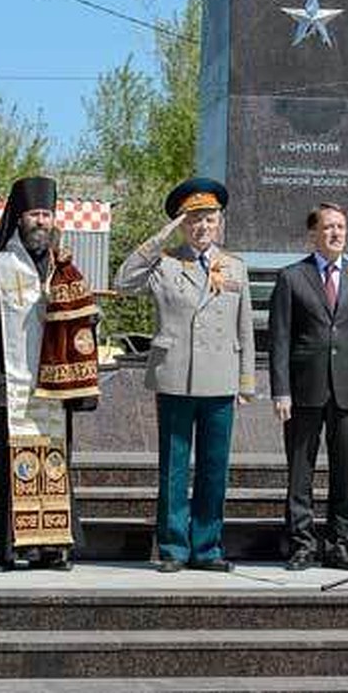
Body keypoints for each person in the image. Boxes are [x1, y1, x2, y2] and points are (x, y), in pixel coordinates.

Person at [114, 177, 255, 573]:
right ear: (182, 224)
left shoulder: (236, 267)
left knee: (214, 467)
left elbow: (244, 327)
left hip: (220, 377)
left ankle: (207, 546)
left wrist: (247, 381)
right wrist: (163, 237)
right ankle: (174, 547)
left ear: (220, 223)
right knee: (174, 466)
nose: (202, 227)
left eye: (209, 219)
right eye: (193, 220)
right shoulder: (166, 262)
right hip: (175, 374)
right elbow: (123, 280)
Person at [0, 175, 100, 572]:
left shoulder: (65, 269)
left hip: (54, 391)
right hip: (11, 388)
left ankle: (52, 548)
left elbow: (77, 324)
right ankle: (2, 549)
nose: (41, 221)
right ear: (19, 218)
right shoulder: (0, 268)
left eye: (47, 214)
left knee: (54, 466)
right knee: (6, 473)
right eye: (34, 214)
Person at [268, 203, 348, 571]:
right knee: (301, 469)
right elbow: (280, 338)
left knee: (343, 470)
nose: (336, 233)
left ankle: (338, 543)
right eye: (328, 227)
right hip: (304, 388)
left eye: (341, 227)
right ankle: (302, 543)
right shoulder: (291, 277)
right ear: (312, 233)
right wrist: (280, 389)